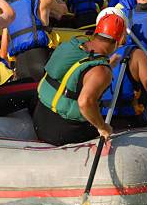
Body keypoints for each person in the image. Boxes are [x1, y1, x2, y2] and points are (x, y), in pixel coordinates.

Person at [32, 12, 127, 146]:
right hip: (60, 132)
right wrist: (102, 127)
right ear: (119, 41)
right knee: (118, 124)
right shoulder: (102, 71)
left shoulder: (73, 44)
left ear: (96, 32)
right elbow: (85, 102)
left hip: (40, 116)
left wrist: (109, 64)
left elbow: (76, 71)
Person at [0, 0, 68, 82]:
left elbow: (2, 53)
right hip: (42, 60)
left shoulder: (8, 12)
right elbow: (63, 12)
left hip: (20, 69)